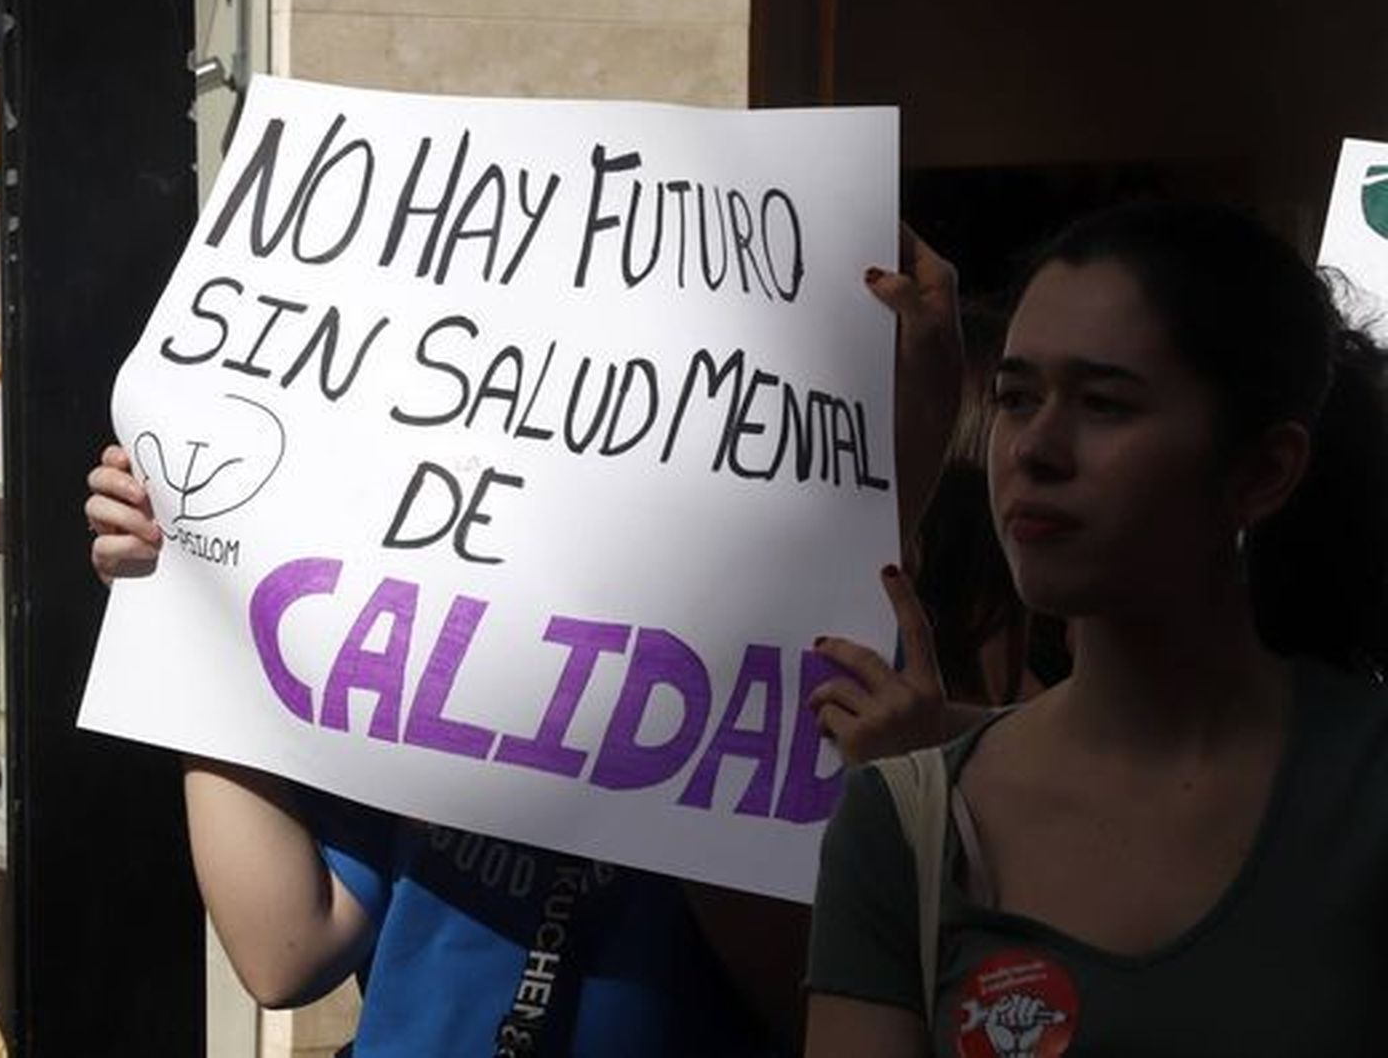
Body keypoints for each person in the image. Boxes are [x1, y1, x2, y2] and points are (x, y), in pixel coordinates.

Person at [84, 232, 964, 1056]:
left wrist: (668, 770)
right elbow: (284, 948)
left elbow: (816, 1008)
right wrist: (190, 596)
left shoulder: (828, 680)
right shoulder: (432, 630)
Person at [805, 200, 1388, 1056]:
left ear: (1263, 470)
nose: (1034, 448)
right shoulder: (908, 822)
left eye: (1105, 404)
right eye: (1014, 396)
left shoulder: (1365, 786)